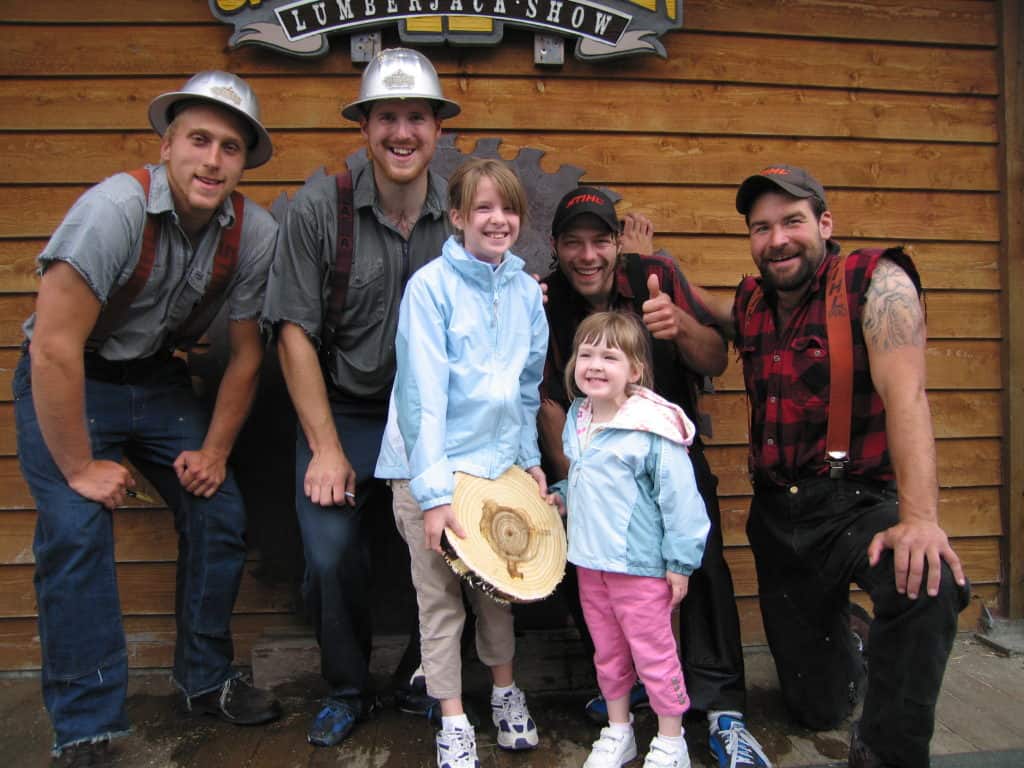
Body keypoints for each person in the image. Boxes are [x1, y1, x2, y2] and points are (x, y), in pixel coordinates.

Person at [14, 71, 283, 765]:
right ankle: (87, 728)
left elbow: (248, 355)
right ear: (166, 146)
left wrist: (216, 450)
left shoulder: (254, 233)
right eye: (198, 140)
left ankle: (204, 681)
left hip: (160, 381)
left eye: (229, 147)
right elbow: (52, 346)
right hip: (75, 380)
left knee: (217, 509)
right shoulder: (113, 211)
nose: (212, 160)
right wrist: (79, 466)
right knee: (74, 532)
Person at [723, 164, 970, 768]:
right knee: (816, 708)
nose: (777, 239)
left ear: (824, 223)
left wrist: (920, 520)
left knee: (931, 582)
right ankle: (854, 637)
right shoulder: (751, 298)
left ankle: (886, 753)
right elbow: (713, 315)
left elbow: (907, 397)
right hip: (777, 517)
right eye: (761, 228)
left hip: (853, 504)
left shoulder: (875, 282)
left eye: (792, 222)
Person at [261, 47, 459, 747]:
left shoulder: (463, 212)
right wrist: (324, 448)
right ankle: (346, 686)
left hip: (433, 418)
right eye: (386, 118)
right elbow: (292, 333)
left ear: (437, 128)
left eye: (416, 117)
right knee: (329, 549)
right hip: (342, 409)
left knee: (450, 547)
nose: (401, 133)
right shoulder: (322, 208)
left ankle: (425, 679)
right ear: (364, 127)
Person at [539, 187, 772, 768]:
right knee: (594, 579)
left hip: (668, 458)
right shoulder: (545, 301)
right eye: (574, 242)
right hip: (597, 462)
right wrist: (577, 484)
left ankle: (719, 708)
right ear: (557, 248)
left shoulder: (657, 272)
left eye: (600, 240)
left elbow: (716, 357)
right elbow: (548, 401)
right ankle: (630, 698)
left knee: (700, 568)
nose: (587, 255)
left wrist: (678, 328)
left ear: (618, 243)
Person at [375, 158, 549, 768]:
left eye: (507, 209)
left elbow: (528, 388)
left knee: (498, 591)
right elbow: (421, 395)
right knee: (440, 598)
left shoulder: (528, 293)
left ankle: (504, 694)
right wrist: (431, 495)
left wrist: (528, 461)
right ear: (456, 218)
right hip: (430, 471)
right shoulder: (431, 288)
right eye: (482, 208)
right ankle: (451, 718)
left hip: (496, 470)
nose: (497, 220)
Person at [554, 311, 710, 768]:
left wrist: (680, 562)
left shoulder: (652, 429)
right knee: (608, 654)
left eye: (609, 356)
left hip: (639, 568)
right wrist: (562, 498)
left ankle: (670, 740)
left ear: (635, 371)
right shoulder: (578, 418)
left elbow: (681, 501)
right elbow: (585, 480)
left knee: (655, 655)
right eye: (586, 355)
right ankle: (619, 730)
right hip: (590, 564)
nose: (595, 365)